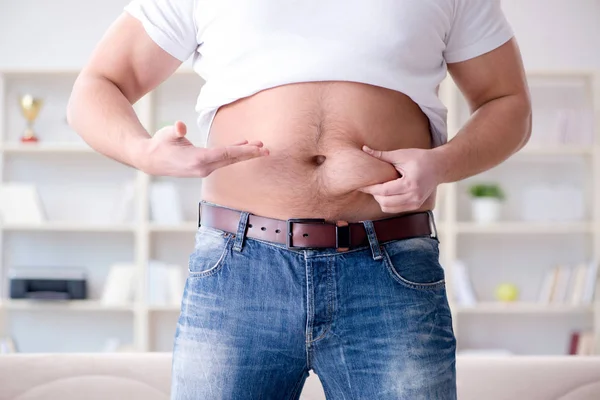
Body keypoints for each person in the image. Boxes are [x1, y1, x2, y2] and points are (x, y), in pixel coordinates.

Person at [67, 0, 531, 398]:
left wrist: (443, 164)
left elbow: (508, 101)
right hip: (237, 271)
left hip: (389, 271)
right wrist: (143, 151)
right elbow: (99, 84)